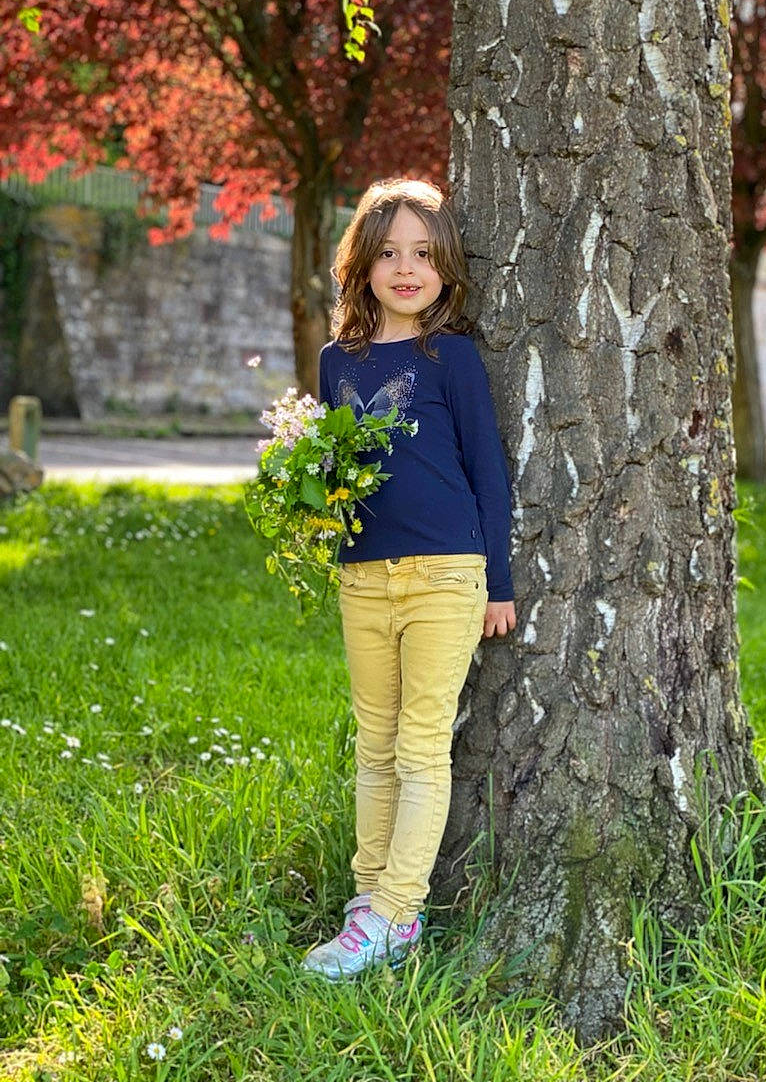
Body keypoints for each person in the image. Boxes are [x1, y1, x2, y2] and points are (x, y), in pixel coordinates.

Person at [301, 177, 517, 980]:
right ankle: (367, 899)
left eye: (422, 254)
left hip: (445, 573)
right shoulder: (336, 361)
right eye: (388, 252)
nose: (404, 268)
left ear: (445, 268)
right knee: (375, 744)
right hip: (362, 575)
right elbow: (338, 467)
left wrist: (499, 581)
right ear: (361, 264)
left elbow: (487, 472)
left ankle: (398, 914)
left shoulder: (451, 357)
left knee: (422, 747)